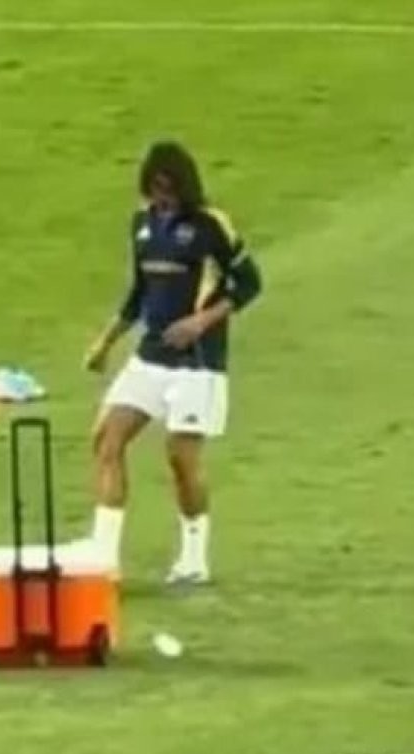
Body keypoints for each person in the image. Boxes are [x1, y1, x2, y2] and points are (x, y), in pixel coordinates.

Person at [81, 140, 263, 583]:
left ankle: (194, 560)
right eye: (155, 189)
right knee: (106, 439)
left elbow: (249, 283)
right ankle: (104, 559)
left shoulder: (210, 225)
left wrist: (201, 322)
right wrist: (105, 343)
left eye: (169, 189)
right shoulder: (142, 225)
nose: (162, 198)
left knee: (181, 459)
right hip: (151, 357)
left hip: (197, 364)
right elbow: (139, 293)